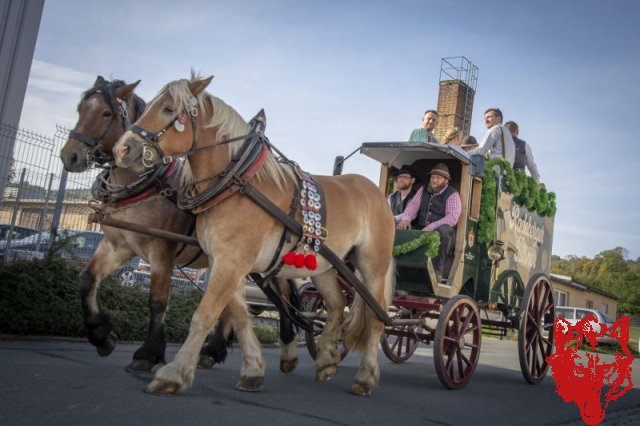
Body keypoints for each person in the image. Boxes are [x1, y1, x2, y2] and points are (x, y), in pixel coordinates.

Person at [397, 163, 461, 282]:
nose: (434, 180)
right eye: (432, 177)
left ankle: (437, 271)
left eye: (438, 177)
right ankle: (399, 269)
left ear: (446, 180)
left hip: (440, 232)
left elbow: (452, 217)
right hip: (421, 228)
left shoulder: (452, 194)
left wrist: (432, 226)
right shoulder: (423, 189)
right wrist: (406, 219)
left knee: (445, 230)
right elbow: (412, 206)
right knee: (401, 228)